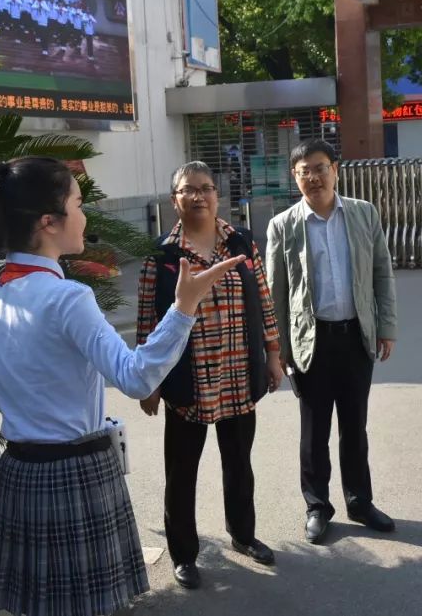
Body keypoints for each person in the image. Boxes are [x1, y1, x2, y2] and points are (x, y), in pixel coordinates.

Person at [0, 156, 244, 616]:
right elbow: (135, 377)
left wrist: (34, 398)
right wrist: (185, 308)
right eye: (78, 204)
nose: (85, 215)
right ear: (48, 222)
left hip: (20, 471)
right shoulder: (67, 298)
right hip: (75, 473)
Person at [135, 161, 283, 590]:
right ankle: (184, 554)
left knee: (239, 463)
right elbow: (147, 319)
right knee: (181, 472)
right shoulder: (161, 254)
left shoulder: (240, 242)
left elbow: (264, 301)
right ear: (173, 200)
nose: (197, 196)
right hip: (188, 381)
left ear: (218, 195)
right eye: (188, 190)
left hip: (238, 374)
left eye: (205, 188)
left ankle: (243, 535)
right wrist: (150, 381)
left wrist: (273, 354)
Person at [266, 139, 398, 545]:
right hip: (311, 342)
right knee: (314, 430)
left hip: (355, 336)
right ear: (295, 177)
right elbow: (276, 292)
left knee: (354, 427)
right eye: (304, 171)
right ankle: (318, 506)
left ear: (335, 169)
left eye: (319, 168)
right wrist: (279, 350)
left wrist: (386, 326)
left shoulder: (362, 214)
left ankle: (360, 501)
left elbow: (381, 272)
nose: (313, 177)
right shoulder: (284, 225)